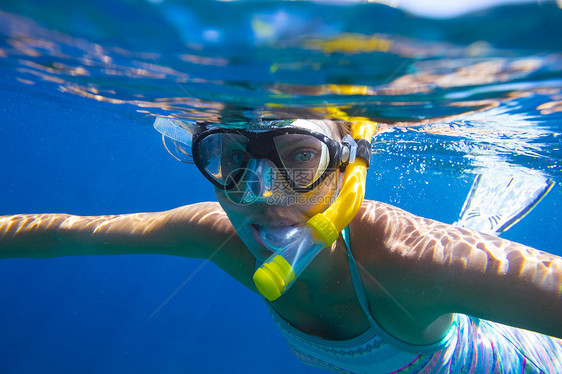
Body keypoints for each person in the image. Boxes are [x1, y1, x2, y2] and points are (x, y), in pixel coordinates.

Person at [1, 118, 561, 373]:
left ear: (349, 171)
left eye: (298, 156)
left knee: (468, 260)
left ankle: (482, 227)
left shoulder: (406, 259)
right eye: (228, 157)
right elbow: (64, 231)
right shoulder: (218, 235)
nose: (260, 196)